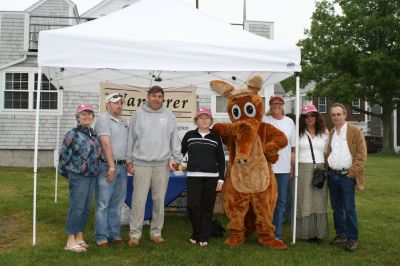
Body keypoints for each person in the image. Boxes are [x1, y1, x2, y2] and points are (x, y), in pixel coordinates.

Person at [126, 85, 182, 246]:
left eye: (159, 96)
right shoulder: (138, 115)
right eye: (154, 96)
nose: (156, 99)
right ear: (148, 97)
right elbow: (131, 138)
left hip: (162, 165)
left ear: (163, 98)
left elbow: (174, 139)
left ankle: (156, 232)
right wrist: (129, 160)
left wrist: (177, 158)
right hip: (141, 164)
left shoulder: (169, 115)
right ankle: (135, 234)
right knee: (138, 200)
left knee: (159, 200)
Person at [59, 103, 101, 252]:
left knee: (86, 207)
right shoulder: (73, 134)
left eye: (89, 114)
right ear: (77, 117)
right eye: (83, 114)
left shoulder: (94, 134)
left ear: (93, 117)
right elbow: (64, 156)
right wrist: (69, 173)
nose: (87, 116)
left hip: (91, 175)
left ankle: (79, 236)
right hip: (78, 175)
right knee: (76, 207)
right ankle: (70, 240)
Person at [181, 107, 225, 247]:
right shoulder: (189, 135)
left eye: (207, 118)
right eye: (201, 117)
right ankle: (196, 233)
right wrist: (174, 162)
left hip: (212, 177)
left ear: (211, 121)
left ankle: (204, 236)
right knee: (193, 206)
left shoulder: (216, 137)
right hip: (193, 176)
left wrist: (221, 179)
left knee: (207, 207)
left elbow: (222, 160)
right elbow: (180, 153)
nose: (204, 120)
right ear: (196, 120)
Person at [326, 103, 367, 252]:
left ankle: (352, 238)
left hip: (347, 176)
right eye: (333, 115)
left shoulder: (354, 131)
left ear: (345, 115)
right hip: (332, 175)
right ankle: (341, 234)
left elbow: (362, 155)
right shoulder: (331, 132)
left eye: (339, 114)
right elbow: (328, 153)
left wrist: (352, 173)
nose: (336, 117)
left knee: (349, 208)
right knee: (336, 207)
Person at [94, 93, 128, 247]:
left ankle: (114, 235)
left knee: (117, 204)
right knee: (103, 204)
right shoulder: (103, 119)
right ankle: (101, 236)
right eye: (115, 103)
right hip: (107, 167)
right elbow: (106, 144)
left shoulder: (122, 122)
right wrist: (112, 166)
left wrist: (127, 163)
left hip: (121, 166)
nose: (119, 106)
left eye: (121, 103)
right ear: (107, 104)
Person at [263, 94, 295, 240]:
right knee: (265, 201)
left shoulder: (289, 122)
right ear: (270, 105)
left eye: (279, 103)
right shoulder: (265, 120)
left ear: (283, 105)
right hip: (266, 167)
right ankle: (265, 231)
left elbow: (293, 147)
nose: (276, 106)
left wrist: (292, 166)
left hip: (283, 168)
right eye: (273, 103)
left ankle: (277, 234)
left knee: (280, 201)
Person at [296, 104, 329, 243]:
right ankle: (306, 233)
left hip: (320, 169)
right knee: (305, 201)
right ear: (303, 119)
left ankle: (318, 233)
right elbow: (293, 152)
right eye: (306, 116)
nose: (309, 118)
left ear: (317, 117)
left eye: (312, 115)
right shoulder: (299, 132)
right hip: (303, 168)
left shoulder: (325, 133)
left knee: (319, 201)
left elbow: (328, 152)